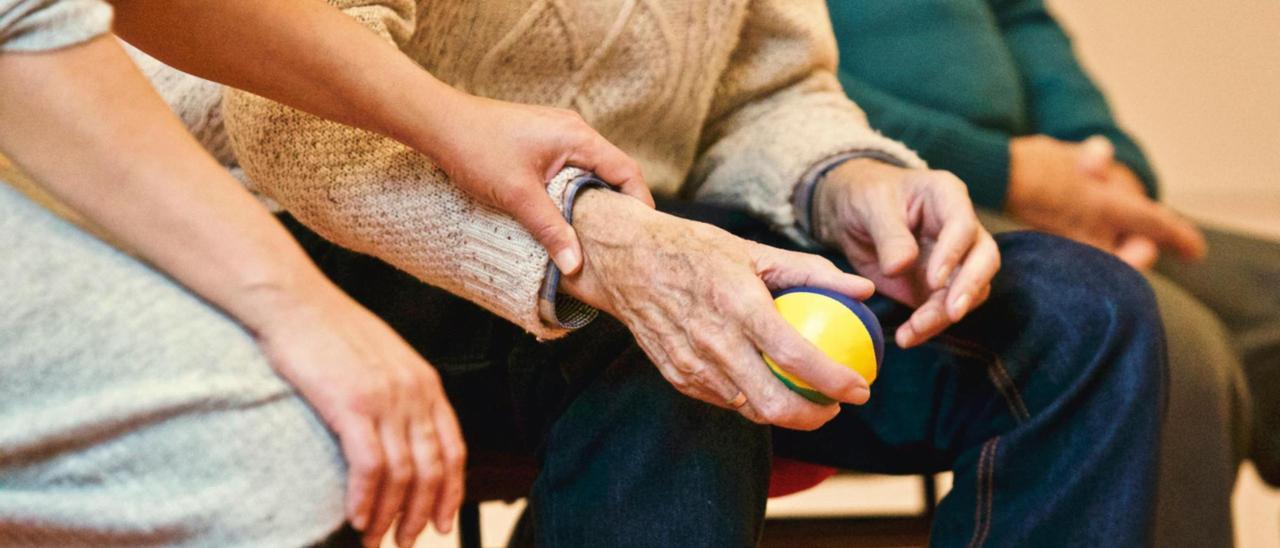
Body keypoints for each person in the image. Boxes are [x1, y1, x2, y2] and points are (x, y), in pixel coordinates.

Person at [211, 0, 1170, 545]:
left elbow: (766, 91)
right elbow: (289, 115)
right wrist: (612, 248)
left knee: (1083, 317)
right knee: (681, 341)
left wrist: (851, 182)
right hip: (338, 228)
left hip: (656, 226)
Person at [0, 0, 648, 545]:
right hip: (234, 196)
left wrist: (454, 120)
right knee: (270, 468)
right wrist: (302, 309)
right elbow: (33, 26)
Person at [826, 1, 1277, 545]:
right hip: (864, 195)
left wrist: (1105, 166)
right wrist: (1009, 173)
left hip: (1035, 187)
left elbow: (1021, 17)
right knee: (1149, 331)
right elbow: (767, 86)